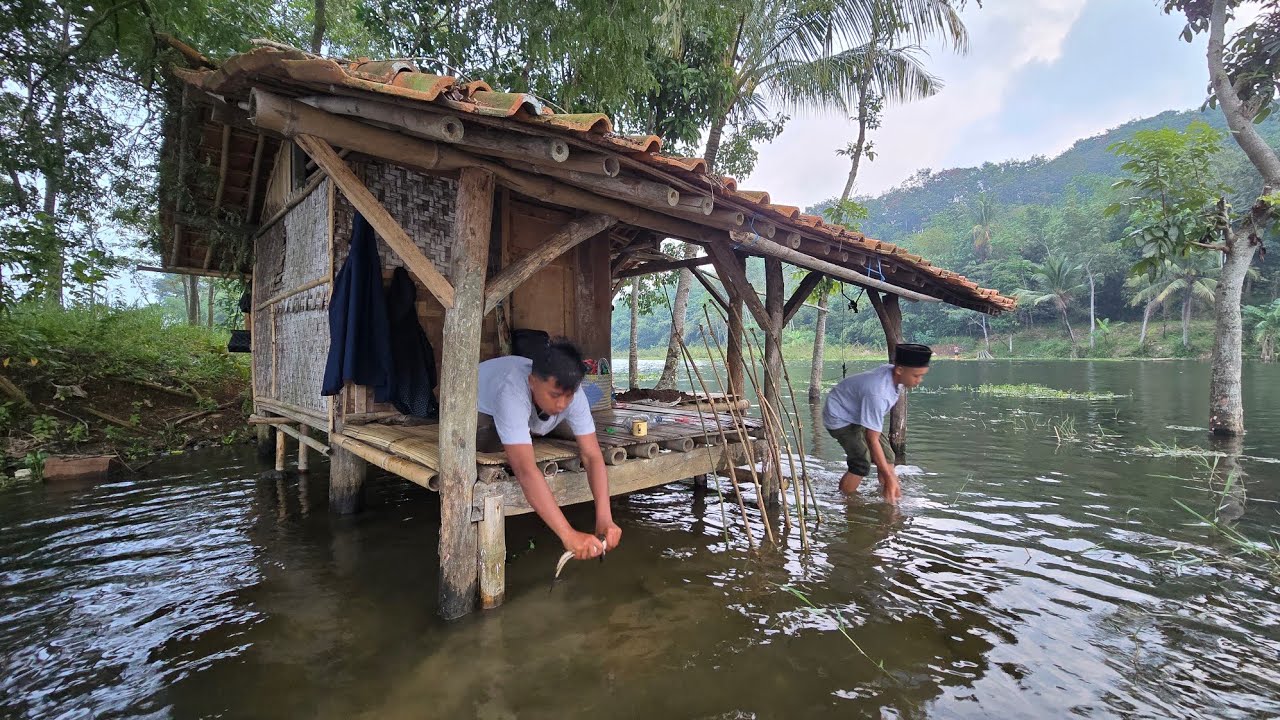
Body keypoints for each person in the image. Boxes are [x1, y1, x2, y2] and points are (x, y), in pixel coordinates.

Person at [476, 340, 621, 561]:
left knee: (556, 428)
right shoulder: (511, 391)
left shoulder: (572, 393)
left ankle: (530, 427)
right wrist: (568, 534)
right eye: (554, 395)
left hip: (529, 408)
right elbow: (525, 469)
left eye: (568, 396)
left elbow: (592, 456)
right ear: (532, 382)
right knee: (491, 444)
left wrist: (605, 518)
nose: (562, 404)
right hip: (480, 408)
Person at [822, 343, 932, 502]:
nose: (919, 380)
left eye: (922, 375)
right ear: (900, 370)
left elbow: (872, 436)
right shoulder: (878, 393)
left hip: (857, 412)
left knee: (888, 457)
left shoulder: (893, 375)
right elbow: (871, 438)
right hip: (839, 415)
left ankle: (889, 499)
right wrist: (889, 476)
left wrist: (890, 477)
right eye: (916, 375)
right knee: (861, 463)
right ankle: (845, 502)